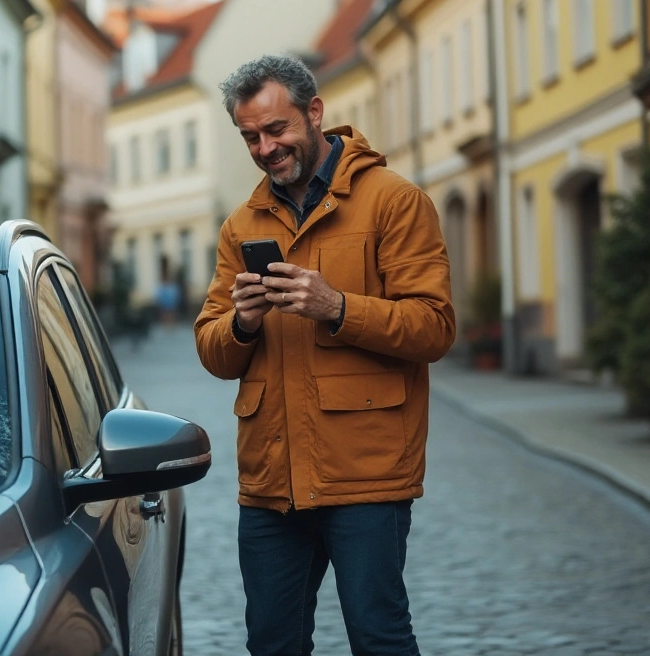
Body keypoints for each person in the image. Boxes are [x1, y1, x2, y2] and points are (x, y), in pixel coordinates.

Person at [194, 55, 455, 656]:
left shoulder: (394, 202)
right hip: (270, 481)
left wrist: (337, 306)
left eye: (276, 129)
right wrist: (244, 321)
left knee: (378, 636)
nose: (264, 148)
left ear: (314, 114)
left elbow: (434, 328)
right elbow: (213, 350)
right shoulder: (242, 226)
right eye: (250, 137)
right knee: (272, 642)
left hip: (365, 473)